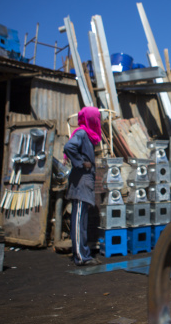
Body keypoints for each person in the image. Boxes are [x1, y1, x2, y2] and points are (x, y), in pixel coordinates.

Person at [63, 107, 102, 266]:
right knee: (79, 220)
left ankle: (84, 253)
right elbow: (68, 147)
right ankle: (80, 256)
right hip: (80, 182)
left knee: (82, 219)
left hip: (85, 181)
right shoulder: (81, 133)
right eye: (97, 118)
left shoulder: (88, 135)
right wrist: (81, 163)